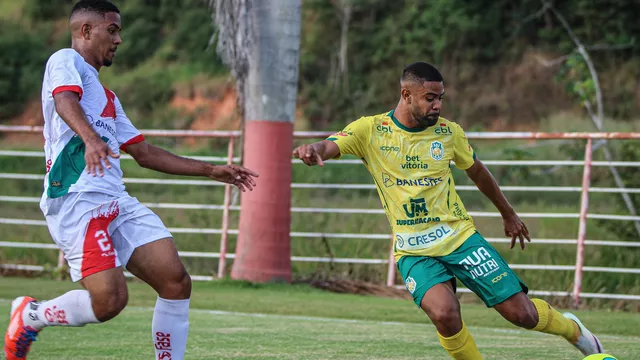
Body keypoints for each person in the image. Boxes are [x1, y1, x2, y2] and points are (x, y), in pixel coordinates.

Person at [292, 61, 604, 359]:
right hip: (413, 250)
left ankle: (574, 331)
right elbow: (329, 145)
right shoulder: (370, 130)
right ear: (406, 95)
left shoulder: (448, 132)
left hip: (460, 238)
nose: (437, 106)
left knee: (521, 314)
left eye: (440, 98)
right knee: (444, 313)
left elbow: (478, 172)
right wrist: (311, 150)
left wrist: (508, 213)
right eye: (430, 98)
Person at [3, 1, 259, 359]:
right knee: (109, 302)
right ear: (86, 31)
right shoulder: (65, 60)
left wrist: (210, 170)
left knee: (175, 281)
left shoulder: (109, 98)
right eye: (112, 30)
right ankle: (32, 315)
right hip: (78, 200)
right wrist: (91, 140)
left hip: (116, 200)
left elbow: (145, 153)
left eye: (119, 31)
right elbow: (64, 102)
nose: (119, 39)